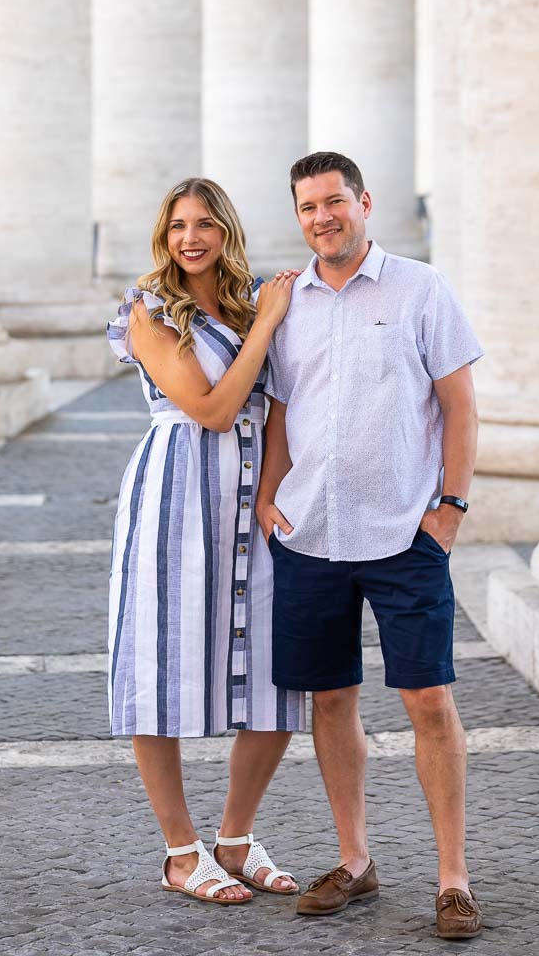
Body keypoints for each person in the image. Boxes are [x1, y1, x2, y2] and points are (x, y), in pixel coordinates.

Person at [255, 152, 484, 940]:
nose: (323, 217)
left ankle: (452, 878)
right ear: (299, 217)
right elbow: (285, 411)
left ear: (363, 202)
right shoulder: (286, 304)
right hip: (311, 534)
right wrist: (266, 495)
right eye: (308, 207)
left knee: (427, 700)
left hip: (404, 534)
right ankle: (354, 861)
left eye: (334, 202)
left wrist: (450, 506)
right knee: (330, 699)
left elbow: (458, 405)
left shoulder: (421, 289)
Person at [107, 177, 305, 906]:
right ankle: (182, 853)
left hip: (256, 506)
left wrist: (274, 493)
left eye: (205, 224)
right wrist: (267, 324)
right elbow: (213, 409)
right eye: (178, 225)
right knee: (160, 669)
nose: (191, 237)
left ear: (226, 230)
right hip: (174, 501)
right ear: (165, 235)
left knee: (276, 678)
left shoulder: (255, 302)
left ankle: (235, 837)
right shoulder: (149, 310)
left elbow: (280, 406)